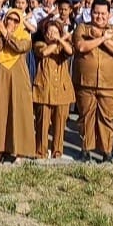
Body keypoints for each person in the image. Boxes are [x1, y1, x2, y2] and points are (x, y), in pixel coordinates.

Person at [72, 0, 113, 162]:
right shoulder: (82, 27)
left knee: (107, 117)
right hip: (85, 82)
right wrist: (102, 39)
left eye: (103, 13)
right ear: (91, 12)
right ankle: (86, 149)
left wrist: (104, 38)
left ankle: (107, 151)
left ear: (109, 15)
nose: (100, 17)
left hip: (109, 83)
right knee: (86, 116)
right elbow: (81, 47)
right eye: (96, 13)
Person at [0, 8, 36, 162]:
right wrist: (2, 33)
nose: (11, 23)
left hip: (18, 79)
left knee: (18, 113)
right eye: (9, 19)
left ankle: (19, 152)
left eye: (16, 20)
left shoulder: (25, 36)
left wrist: (6, 33)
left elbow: (19, 47)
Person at [32, 20, 74, 159]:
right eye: (49, 32)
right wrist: (59, 40)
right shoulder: (39, 44)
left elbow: (70, 51)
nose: (52, 35)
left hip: (62, 89)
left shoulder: (63, 46)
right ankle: (40, 153)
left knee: (59, 124)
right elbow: (44, 53)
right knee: (42, 123)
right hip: (44, 89)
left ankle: (57, 152)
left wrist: (61, 41)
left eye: (55, 32)